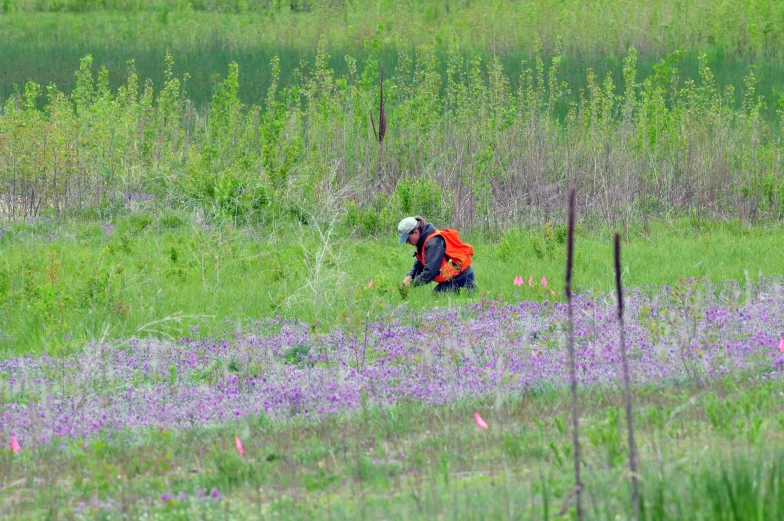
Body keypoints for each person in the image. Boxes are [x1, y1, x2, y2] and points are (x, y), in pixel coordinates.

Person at [398, 216, 476, 293]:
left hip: (461, 277)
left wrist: (411, 285)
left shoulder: (433, 243)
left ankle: (469, 288)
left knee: (437, 296)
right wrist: (410, 276)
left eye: (407, 238)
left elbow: (430, 272)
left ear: (416, 232)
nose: (406, 242)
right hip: (452, 278)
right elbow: (420, 263)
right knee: (437, 295)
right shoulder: (423, 240)